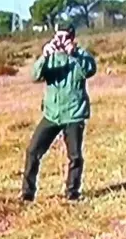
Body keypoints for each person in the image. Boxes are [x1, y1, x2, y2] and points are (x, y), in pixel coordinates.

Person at [21, 24, 98, 202]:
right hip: (52, 114)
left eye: (65, 37)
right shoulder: (51, 56)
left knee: (75, 156)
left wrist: (73, 54)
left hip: (74, 113)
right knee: (33, 151)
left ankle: (72, 193)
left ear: (72, 38)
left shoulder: (81, 56)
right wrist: (44, 56)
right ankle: (27, 193)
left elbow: (89, 70)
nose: (61, 41)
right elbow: (35, 76)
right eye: (58, 37)